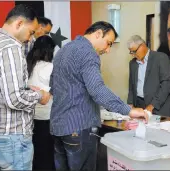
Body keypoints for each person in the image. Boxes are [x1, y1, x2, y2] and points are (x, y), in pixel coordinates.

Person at [50, 21, 149, 171]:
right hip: (79, 127)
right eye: (108, 43)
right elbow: (97, 89)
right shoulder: (88, 53)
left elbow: (54, 85)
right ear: (97, 34)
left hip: (59, 126)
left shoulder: (64, 50)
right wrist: (128, 110)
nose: (108, 50)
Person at [0, 5, 51, 170]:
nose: (31, 39)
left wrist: (26, 87)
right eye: (31, 32)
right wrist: (41, 96)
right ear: (19, 24)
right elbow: (14, 98)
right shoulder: (11, 48)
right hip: (11, 135)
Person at [27, 35, 56, 170]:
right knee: (47, 153)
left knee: (35, 150)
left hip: (30, 116)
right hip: (47, 116)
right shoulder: (50, 67)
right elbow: (57, 91)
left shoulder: (28, 65)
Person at [127, 35, 170, 116]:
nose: (133, 55)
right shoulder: (133, 63)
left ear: (142, 46)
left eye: (134, 51)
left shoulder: (160, 58)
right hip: (140, 107)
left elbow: (166, 84)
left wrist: (152, 105)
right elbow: (131, 86)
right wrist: (130, 103)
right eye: (131, 52)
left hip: (159, 108)